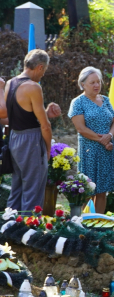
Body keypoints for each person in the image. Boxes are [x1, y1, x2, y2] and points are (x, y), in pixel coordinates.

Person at [4, 50, 61, 212]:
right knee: (33, 191)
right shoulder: (33, 87)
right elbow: (45, 126)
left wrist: (47, 113)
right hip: (32, 141)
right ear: (40, 67)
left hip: (14, 138)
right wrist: (48, 149)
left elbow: (16, 115)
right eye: (44, 70)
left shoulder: (11, 83)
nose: (43, 75)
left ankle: (10, 228)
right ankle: (30, 231)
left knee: (17, 188)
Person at [68, 67, 114, 214]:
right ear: (83, 84)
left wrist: (109, 135)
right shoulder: (78, 102)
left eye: (98, 82)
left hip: (106, 151)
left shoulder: (106, 100)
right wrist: (103, 140)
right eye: (92, 82)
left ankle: (99, 223)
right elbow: (81, 128)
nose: (97, 85)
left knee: (102, 190)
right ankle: (81, 224)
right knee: (87, 190)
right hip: (89, 151)